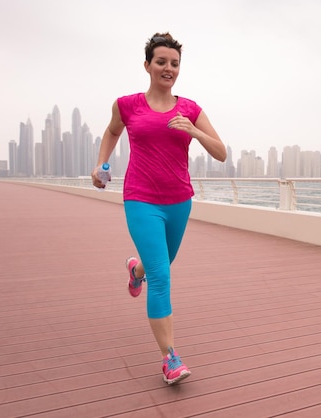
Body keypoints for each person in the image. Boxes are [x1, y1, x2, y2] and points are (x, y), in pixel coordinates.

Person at [91, 32, 226, 385]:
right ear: (148, 65)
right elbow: (111, 132)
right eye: (161, 62)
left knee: (159, 266)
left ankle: (136, 270)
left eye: (175, 64)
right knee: (162, 277)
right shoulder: (127, 104)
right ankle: (170, 358)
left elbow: (221, 152)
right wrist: (101, 164)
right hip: (141, 198)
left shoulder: (191, 109)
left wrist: (195, 131)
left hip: (179, 200)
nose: (169, 69)